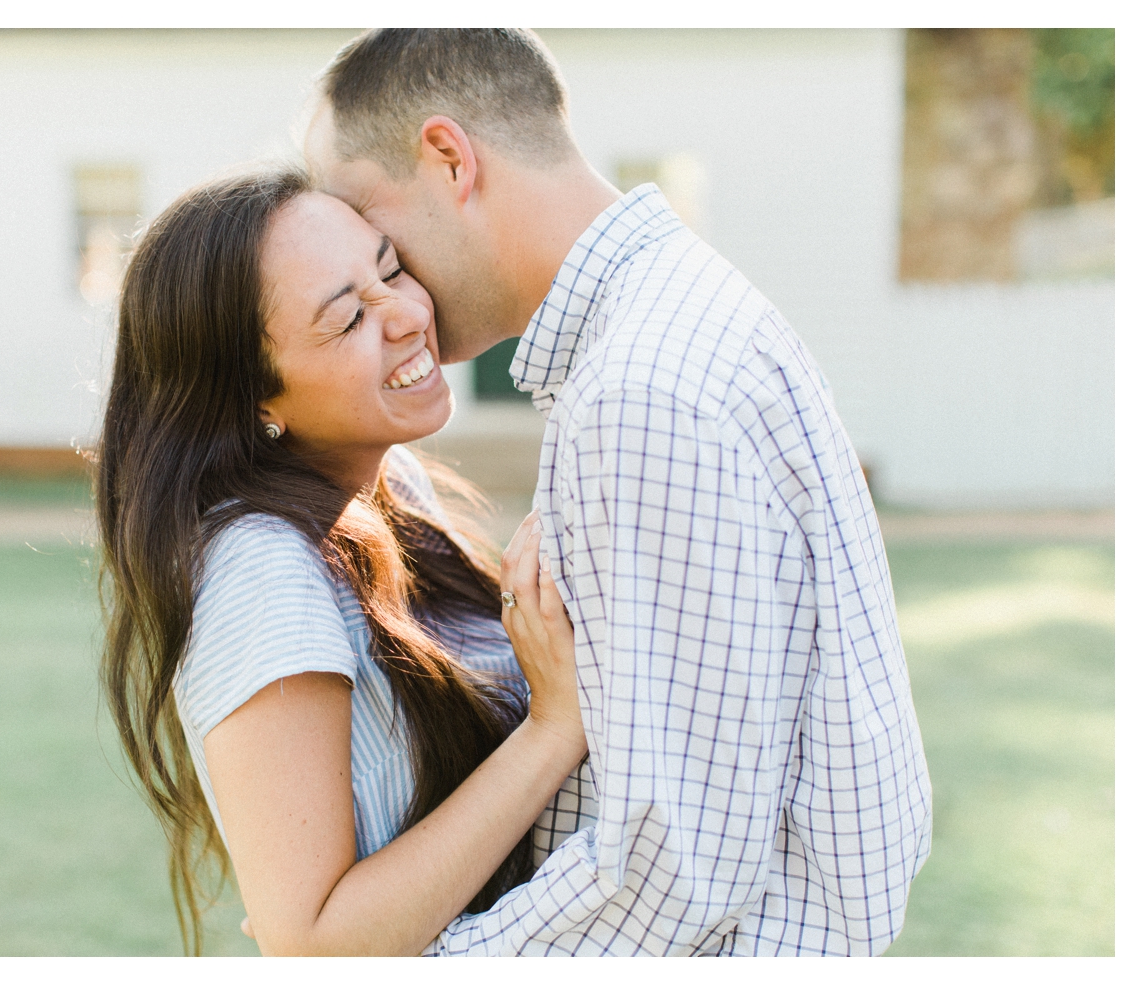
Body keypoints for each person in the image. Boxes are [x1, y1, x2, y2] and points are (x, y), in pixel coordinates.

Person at [305, 28, 933, 955]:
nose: (391, 291)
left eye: (378, 235)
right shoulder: (676, 317)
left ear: (448, 158)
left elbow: (670, 871)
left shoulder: (641, 388)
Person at [95, 165, 588, 956]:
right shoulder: (261, 568)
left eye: (389, 269)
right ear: (255, 399)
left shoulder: (391, 490)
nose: (405, 314)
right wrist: (552, 731)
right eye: (349, 316)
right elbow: (316, 945)